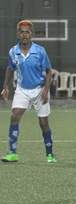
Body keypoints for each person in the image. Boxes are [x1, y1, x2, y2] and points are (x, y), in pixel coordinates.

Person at [1, 20, 56, 163]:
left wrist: (45, 90)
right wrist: (5, 86)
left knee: (43, 123)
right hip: (22, 90)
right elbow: (9, 68)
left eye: (27, 32)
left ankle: (50, 154)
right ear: (18, 34)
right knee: (14, 116)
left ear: (31, 34)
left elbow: (49, 71)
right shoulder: (13, 51)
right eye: (22, 32)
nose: (24, 35)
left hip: (39, 90)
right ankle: (12, 153)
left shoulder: (40, 51)